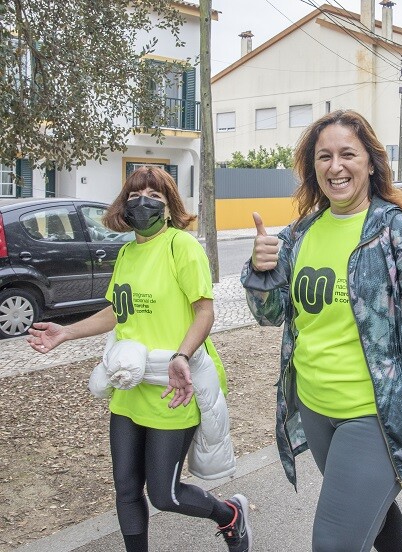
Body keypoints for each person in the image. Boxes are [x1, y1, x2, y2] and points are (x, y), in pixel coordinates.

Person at [241, 109, 402, 551]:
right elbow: (271, 314)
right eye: (324, 157)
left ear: (370, 163)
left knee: (333, 543)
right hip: (315, 409)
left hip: (377, 416)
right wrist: (261, 271)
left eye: (347, 154)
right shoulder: (300, 233)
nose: (335, 167)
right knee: (374, 518)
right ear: (312, 167)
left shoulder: (399, 234)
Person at [26, 167, 250, 552]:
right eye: (134, 194)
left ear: (169, 205)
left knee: (166, 495)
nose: (142, 200)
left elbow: (204, 311)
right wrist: (66, 332)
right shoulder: (128, 252)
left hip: (174, 385)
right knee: (127, 488)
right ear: (123, 205)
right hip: (129, 384)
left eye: (154, 194)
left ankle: (229, 514)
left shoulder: (182, 246)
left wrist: (182, 355)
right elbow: (117, 310)